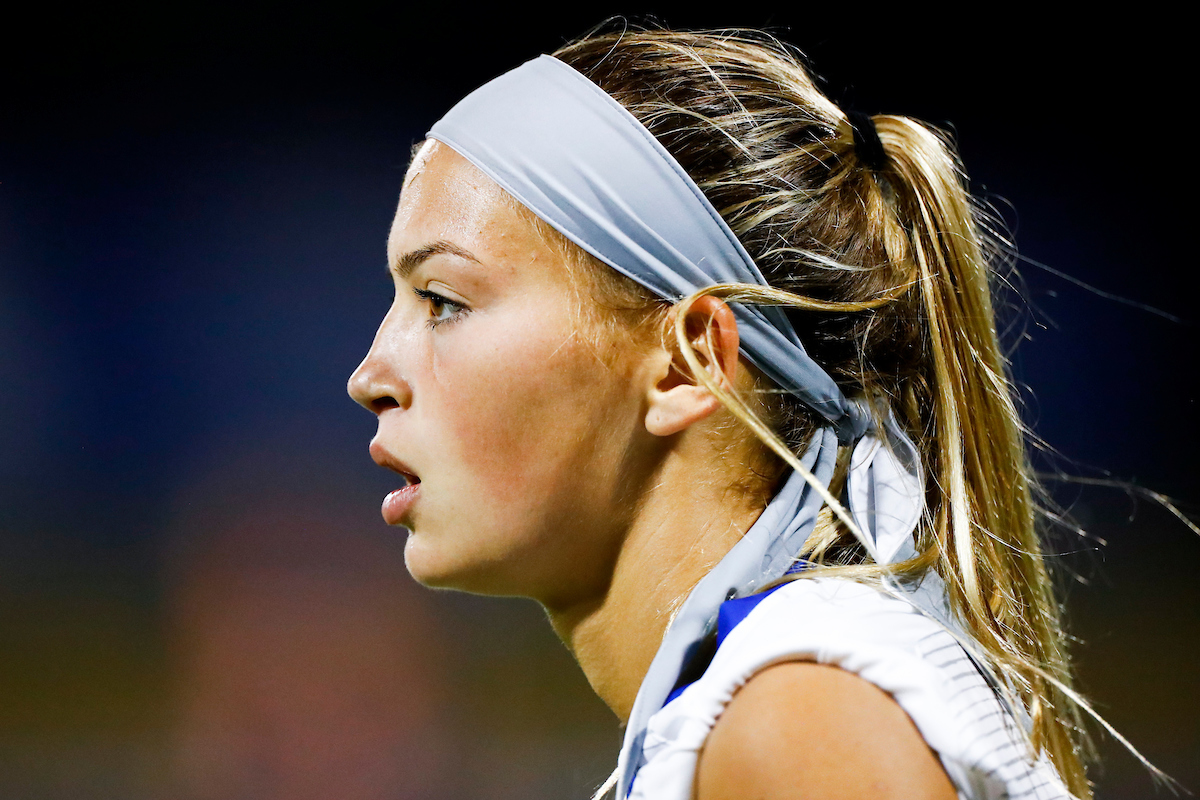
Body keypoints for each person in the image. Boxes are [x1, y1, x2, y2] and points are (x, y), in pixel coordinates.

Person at [348, 27, 1096, 799]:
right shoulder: (775, 704)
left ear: (688, 361)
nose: (369, 376)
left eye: (443, 300)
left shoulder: (799, 725)